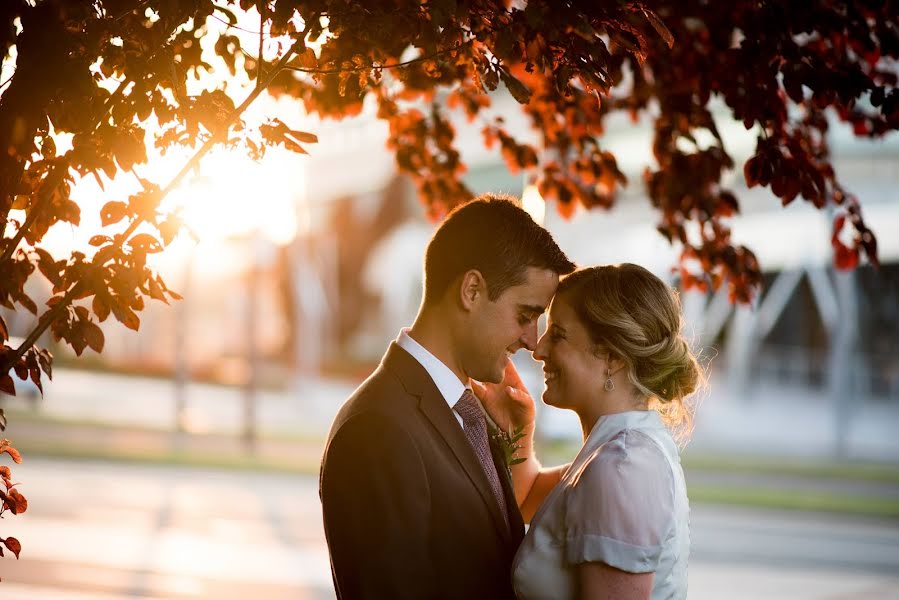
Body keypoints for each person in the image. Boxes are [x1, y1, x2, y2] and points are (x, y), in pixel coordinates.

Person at [319, 194, 576, 599]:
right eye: (525, 316)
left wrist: (517, 440)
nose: (532, 340)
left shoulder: (471, 412)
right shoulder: (377, 428)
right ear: (472, 290)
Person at [476, 264, 701, 600]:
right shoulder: (618, 449)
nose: (538, 350)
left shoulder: (623, 466)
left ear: (612, 356)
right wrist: (520, 429)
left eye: (558, 334)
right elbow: (526, 497)